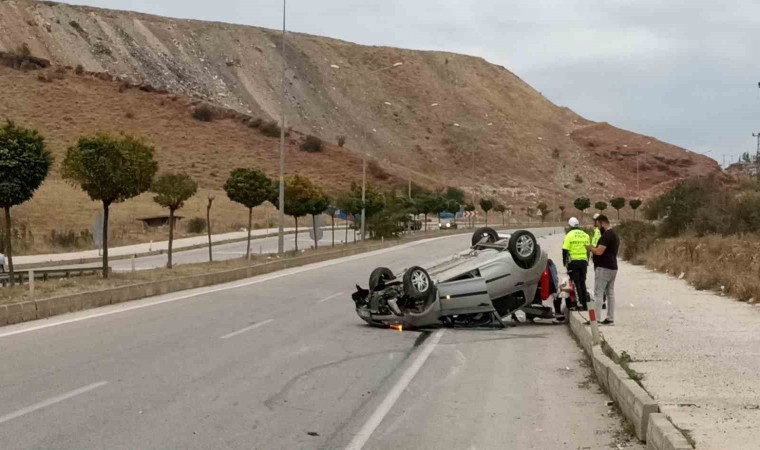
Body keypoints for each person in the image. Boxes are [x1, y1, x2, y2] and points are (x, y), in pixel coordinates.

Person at [587, 214, 619, 325]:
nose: (596, 227)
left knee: (598, 293)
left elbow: (599, 251)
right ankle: (610, 318)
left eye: (597, 224)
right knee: (610, 293)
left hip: (604, 268)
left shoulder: (607, 235)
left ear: (601, 222)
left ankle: (596, 320)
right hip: (613, 267)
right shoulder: (614, 234)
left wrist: (590, 248)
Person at [562, 217, 590, 310]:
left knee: (576, 282)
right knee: (583, 282)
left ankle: (579, 304)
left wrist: (564, 263)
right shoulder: (585, 235)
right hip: (583, 261)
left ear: (570, 225)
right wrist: (587, 260)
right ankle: (585, 303)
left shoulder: (569, 235)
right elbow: (588, 250)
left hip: (574, 262)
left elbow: (565, 250)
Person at [591, 213, 606, 310]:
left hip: (600, 258)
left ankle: (602, 301)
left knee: (601, 281)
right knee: (599, 280)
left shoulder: (602, 231)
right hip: (596, 257)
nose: (593, 222)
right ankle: (601, 300)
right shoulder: (596, 231)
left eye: (594, 220)